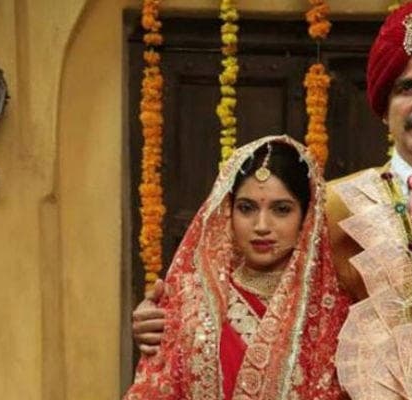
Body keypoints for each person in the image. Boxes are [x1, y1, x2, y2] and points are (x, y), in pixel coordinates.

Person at [133, 1, 412, 398]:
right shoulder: (333, 206)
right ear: (383, 108)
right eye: (406, 88)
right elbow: (267, 297)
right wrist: (166, 319)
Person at [125, 135, 350, 399]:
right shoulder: (189, 301)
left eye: (281, 209)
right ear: (227, 212)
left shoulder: (333, 312)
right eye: (246, 208)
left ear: (306, 217)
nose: (262, 226)